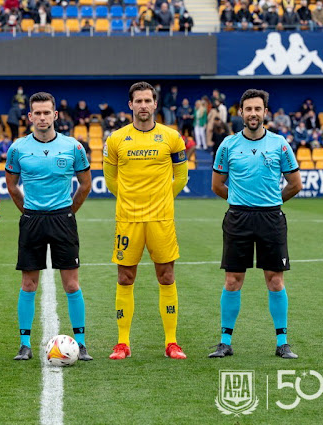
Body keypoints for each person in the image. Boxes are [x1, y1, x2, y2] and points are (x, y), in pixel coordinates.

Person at [210, 89, 302, 360]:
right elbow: (217, 185)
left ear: (265, 112)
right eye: (248, 109)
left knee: (274, 281)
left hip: (271, 218)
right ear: (241, 112)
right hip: (238, 218)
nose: (253, 114)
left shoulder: (280, 144)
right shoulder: (228, 145)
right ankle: (225, 342)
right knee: (232, 281)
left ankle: (282, 342)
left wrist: (273, 201)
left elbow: (295, 184)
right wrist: (241, 201)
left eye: (257, 109)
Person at [103, 81, 189, 361]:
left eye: (147, 101)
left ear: (155, 104)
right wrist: (130, 200)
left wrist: (162, 199)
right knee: (125, 277)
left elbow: (182, 177)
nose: (143, 106)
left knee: (166, 276)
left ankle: (172, 343)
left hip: (161, 219)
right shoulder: (115, 139)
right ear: (130, 105)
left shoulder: (172, 137)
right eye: (137, 101)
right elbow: (112, 180)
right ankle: (122, 343)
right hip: (128, 219)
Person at [5, 92, 93, 362]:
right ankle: (24, 344)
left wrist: (68, 212)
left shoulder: (73, 147)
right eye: (37, 113)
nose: (42, 117)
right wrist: (29, 212)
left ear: (55, 115)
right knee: (29, 283)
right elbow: (11, 185)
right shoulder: (18, 148)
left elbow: (85, 184)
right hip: (32, 220)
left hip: (62, 220)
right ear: (30, 116)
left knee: (71, 284)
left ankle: (81, 343)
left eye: (47, 113)